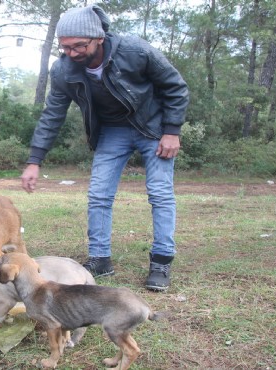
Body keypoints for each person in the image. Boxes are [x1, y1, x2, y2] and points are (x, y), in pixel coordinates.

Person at [20, 5, 189, 291]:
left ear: (98, 38)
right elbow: (52, 114)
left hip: (152, 127)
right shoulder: (63, 70)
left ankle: (161, 261)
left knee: (160, 193)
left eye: (78, 46)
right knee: (98, 194)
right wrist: (35, 160)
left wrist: (172, 131)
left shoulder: (135, 51)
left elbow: (175, 87)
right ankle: (100, 259)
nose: (72, 53)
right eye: (65, 47)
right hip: (112, 131)